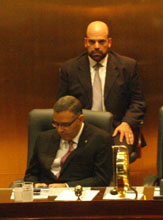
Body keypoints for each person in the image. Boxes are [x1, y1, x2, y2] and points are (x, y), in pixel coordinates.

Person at [57, 20, 146, 162]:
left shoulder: (127, 66)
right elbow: (63, 105)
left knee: (117, 158)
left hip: (117, 128)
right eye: (92, 42)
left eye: (101, 42)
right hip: (82, 129)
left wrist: (127, 123)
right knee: (77, 159)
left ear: (109, 42)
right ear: (85, 42)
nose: (96, 46)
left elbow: (138, 102)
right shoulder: (70, 69)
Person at [24, 96, 112, 187]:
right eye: (56, 124)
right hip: (45, 195)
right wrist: (35, 184)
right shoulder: (43, 138)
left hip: (78, 196)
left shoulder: (100, 139)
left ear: (80, 119)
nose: (60, 130)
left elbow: (101, 179)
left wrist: (66, 186)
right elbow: (31, 174)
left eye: (65, 125)